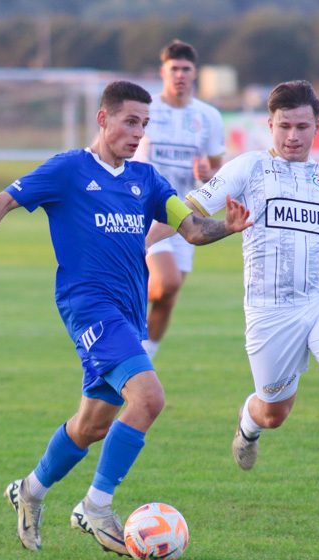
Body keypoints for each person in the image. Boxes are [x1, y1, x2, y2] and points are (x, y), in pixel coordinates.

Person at [0, 80, 251, 555]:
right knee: (149, 399)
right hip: (89, 306)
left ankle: (29, 491)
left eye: (144, 124)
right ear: (103, 118)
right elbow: (4, 199)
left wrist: (227, 227)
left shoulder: (146, 180)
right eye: (130, 121)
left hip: (129, 312)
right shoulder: (69, 169)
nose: (137, 132)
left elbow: (190, 229)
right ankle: (96, 505)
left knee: (91, 425)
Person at [156, 80, 319, 519]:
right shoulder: (248, 169)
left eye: (301, 126)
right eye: (283, 127)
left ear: (318, 126)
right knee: (275, 411)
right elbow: (186, 210)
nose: (292, 136)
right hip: (270, 312)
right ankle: (248, 423)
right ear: (270, 126)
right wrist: (136, 248)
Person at [133, 40, 226, 361]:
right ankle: (111, 307)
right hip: (146, 211)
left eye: (186, 69)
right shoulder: (145, 110)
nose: (180, 75)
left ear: (195, 73)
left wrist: (207, 170)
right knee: (168, 280)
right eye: (174, 69)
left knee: (167, 297)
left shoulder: (208, 116)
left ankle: (143, 361)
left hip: (186, 213)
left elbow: (218, 167)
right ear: (163, 71)